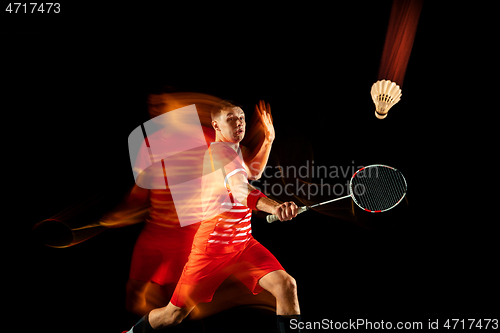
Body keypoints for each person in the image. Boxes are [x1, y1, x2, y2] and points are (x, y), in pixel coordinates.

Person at [124, 100, 302, 333]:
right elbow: (240, 190)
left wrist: (268, 140)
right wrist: (274, 207)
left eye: (241, 118)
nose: (239, 123)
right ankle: (132, 332)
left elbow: (253, 172)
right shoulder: (219, 154)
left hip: (243, 244)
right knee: (173, 315)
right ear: (216, 125)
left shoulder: (232, 151)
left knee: (286, 285)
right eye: (231, 119)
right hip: (212, 249)